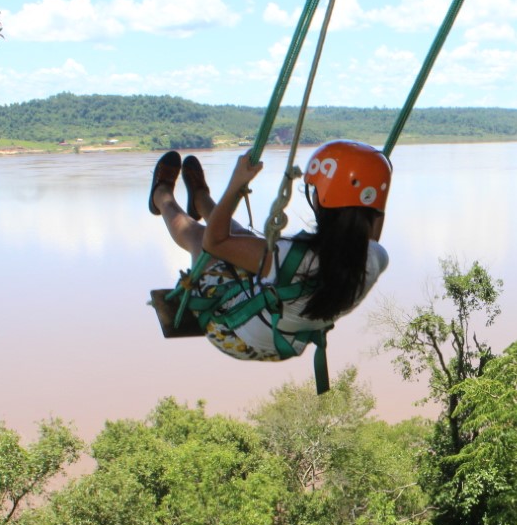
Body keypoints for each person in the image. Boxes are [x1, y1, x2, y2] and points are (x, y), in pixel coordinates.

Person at [147, 140, 391, 360]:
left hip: (233, 332)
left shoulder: (292, 257)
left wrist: (236, 183)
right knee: (242, 238)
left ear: (319, 200)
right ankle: (201, 200)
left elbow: (215, 242)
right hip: (284, 339)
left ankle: (161, 196)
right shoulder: (375, 257)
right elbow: (372, 223)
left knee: (199, 239)